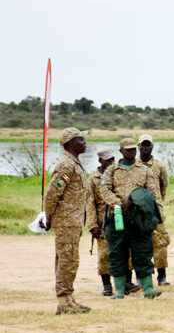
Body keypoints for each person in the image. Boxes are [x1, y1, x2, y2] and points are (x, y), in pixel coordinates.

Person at [99, 138, 163, 299]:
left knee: (143, 252)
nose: (132, 152)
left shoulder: (145, 170)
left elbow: (153, 193)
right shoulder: (111, 170)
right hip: (117, 217)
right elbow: (104, 190)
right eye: (128, 149)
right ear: (121, 151)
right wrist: (119, 204)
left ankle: (148, 288)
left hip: (139, 218)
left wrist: (136, 203)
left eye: (134, 149)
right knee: (117, 253)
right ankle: (119, 290)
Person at [45, 128, 91, 315]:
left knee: (71, 260)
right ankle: (63, 302)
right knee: (67, 260)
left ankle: (69, 300)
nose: (84, 142)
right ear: (71, 144)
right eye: (81, 139)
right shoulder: (66, 165)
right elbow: (52, 194)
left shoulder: (75, 163)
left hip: (73, 220)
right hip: (66, 221)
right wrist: (48, 217)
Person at [138, 134, 171, 286]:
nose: (145, 148)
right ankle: (140, 276)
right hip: (137, 211)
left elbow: (164, 187)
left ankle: (161, 276)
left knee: (160, 243)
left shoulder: (159, 166)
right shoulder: (133, 164)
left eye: (148, 145)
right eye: (143, 145)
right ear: (138, 147)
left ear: (152, 147)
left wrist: (158, 204)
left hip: (156, 210)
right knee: (138, 244)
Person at [85, 148, 116, 296]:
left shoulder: (118, 174)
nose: (111, 163)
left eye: (112, 160)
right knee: (104, 254)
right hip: (102, 221)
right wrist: (92, 225)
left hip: (118, 217)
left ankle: (124, 283)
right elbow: (89, 203)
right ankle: (106, 285)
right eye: (107, 160)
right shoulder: (93, 178)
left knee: (123, 252)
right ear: (100, 161)